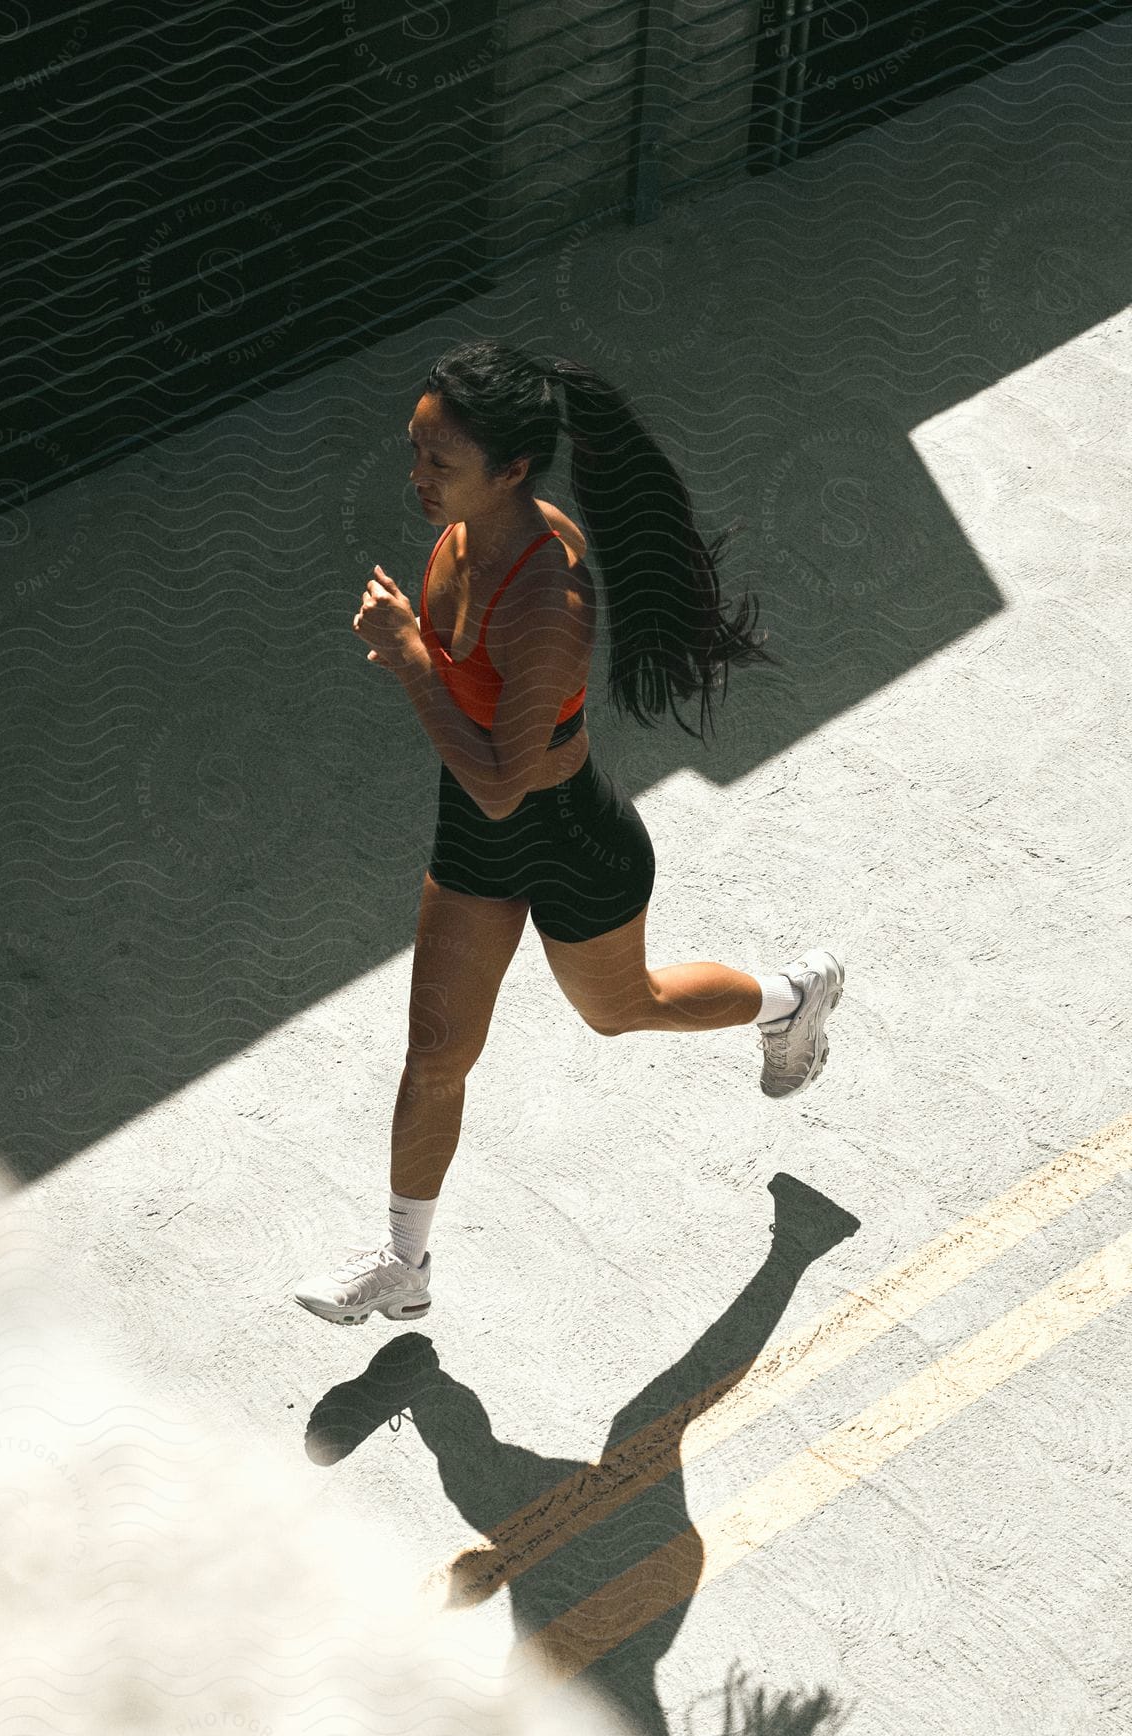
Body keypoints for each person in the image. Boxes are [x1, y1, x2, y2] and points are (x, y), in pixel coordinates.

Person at [295, 340, 844, 1328]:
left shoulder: (551, 598)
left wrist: (414, 662)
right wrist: (423, 662)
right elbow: (481, 783)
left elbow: (510, 785)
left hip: (565, 838)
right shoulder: (455, 542)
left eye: (439, 463)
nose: (416, 480)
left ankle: (791, 999)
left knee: (622, 1009)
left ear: (510, 470)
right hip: (475, 828)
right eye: (415, 454)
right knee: (435, 1055)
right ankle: (403, 1261)